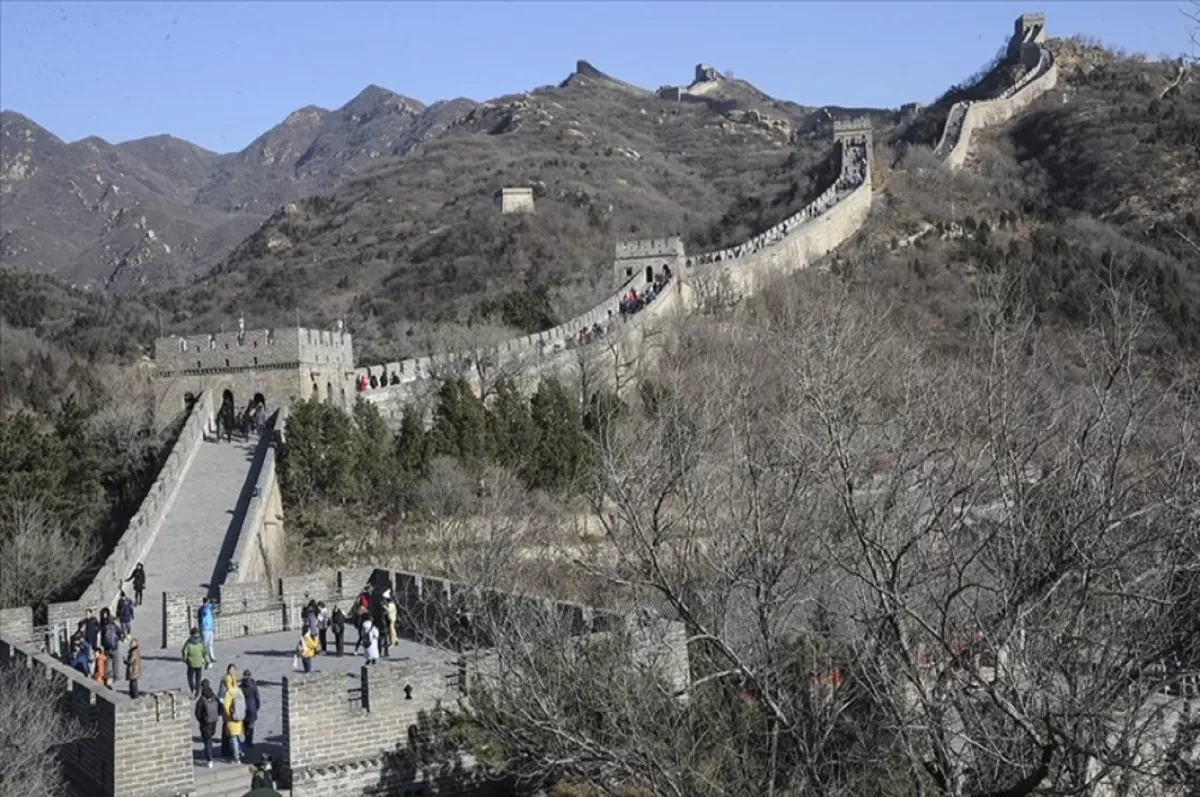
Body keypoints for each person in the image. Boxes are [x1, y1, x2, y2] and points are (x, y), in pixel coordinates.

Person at [195, 680, 220, 768]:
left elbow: (197, 713)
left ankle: (209, 759)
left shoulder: (201, 700)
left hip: (205, 724)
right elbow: (220, 708)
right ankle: (210, 756)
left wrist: (201, 720)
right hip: (213, 722)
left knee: (207, 741)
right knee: (210, 739)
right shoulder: (214, 697)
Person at [221, 676, 247, 764]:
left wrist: (227, 717)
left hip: (231, 719)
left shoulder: (228, 693)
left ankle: (236, 757)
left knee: (233, 739)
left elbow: (226, 706)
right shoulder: (239, 690)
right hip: (240, 718)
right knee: (239, 737)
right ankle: (242, 752)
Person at [181, 627, 206, 698]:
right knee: (198, 678)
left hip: (191, 663)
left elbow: (184, 651)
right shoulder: (201, 642)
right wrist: (205, 660)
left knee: (190, 677)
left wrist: (185, 659)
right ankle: (197, 690)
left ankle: (192, 688)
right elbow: (205, 651)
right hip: (199, 662)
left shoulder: (188, 642)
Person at [240, 670, 261, 749]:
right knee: (251, 725)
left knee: (245, 725)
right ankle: (250, 741)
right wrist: (257, 707)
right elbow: (257, 697)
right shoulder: (253, 685)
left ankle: (246, 739)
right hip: (252, 707)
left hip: (243, 708)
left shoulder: (241, 687)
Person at [99, 608, 120, 682]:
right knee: (115, 662)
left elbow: (102, 636)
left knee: (107, 662)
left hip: (107, 647)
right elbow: (120, 634)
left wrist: (103, 645)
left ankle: (107, 676)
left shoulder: (104, 626)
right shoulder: (115, 626)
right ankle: (116, 676)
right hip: (115, 647)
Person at [197, 597, 216, 668]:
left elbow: (214, 607)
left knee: (210, 644)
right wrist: (209, 606)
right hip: (204, 629)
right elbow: (205, 612)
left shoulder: (208, 607)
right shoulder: (203, 609)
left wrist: (213, 603)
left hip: (210, 628)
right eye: (208, 602)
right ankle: (202, 658)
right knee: (204, 645)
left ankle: (212, 657)